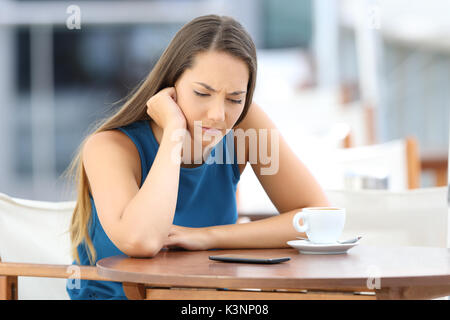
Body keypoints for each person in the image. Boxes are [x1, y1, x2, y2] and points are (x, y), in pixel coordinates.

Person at [64, 14, 330, 300]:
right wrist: (173, 133)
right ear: (171, 85)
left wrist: (207, 237)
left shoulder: (245, 126)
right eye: (203, 93)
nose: (218, 115)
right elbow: (143, 240)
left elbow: (319, 220)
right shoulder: (110, 147)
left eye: (234, 99)